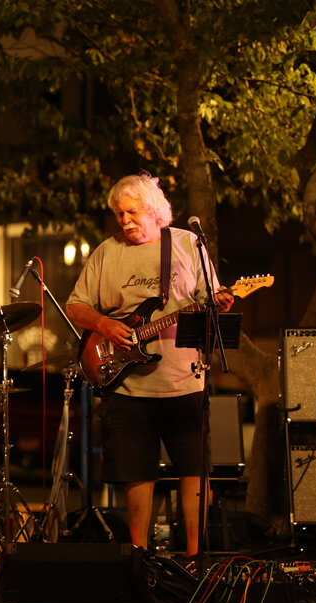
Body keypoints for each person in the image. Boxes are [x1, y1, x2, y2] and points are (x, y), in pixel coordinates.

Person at [65, 173, 233, 561]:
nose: (124, 220)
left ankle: (194, 560)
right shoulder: (107, 252)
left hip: (184, 380)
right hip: (125, 385)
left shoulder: (188, 244)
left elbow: (210, 298)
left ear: (154, 210)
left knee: (194, 471)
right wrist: (106, 325)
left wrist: (223, 302)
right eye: (119, 213)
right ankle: (138, 560)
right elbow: (76, 305)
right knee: (135, 474)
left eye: (132, 212)